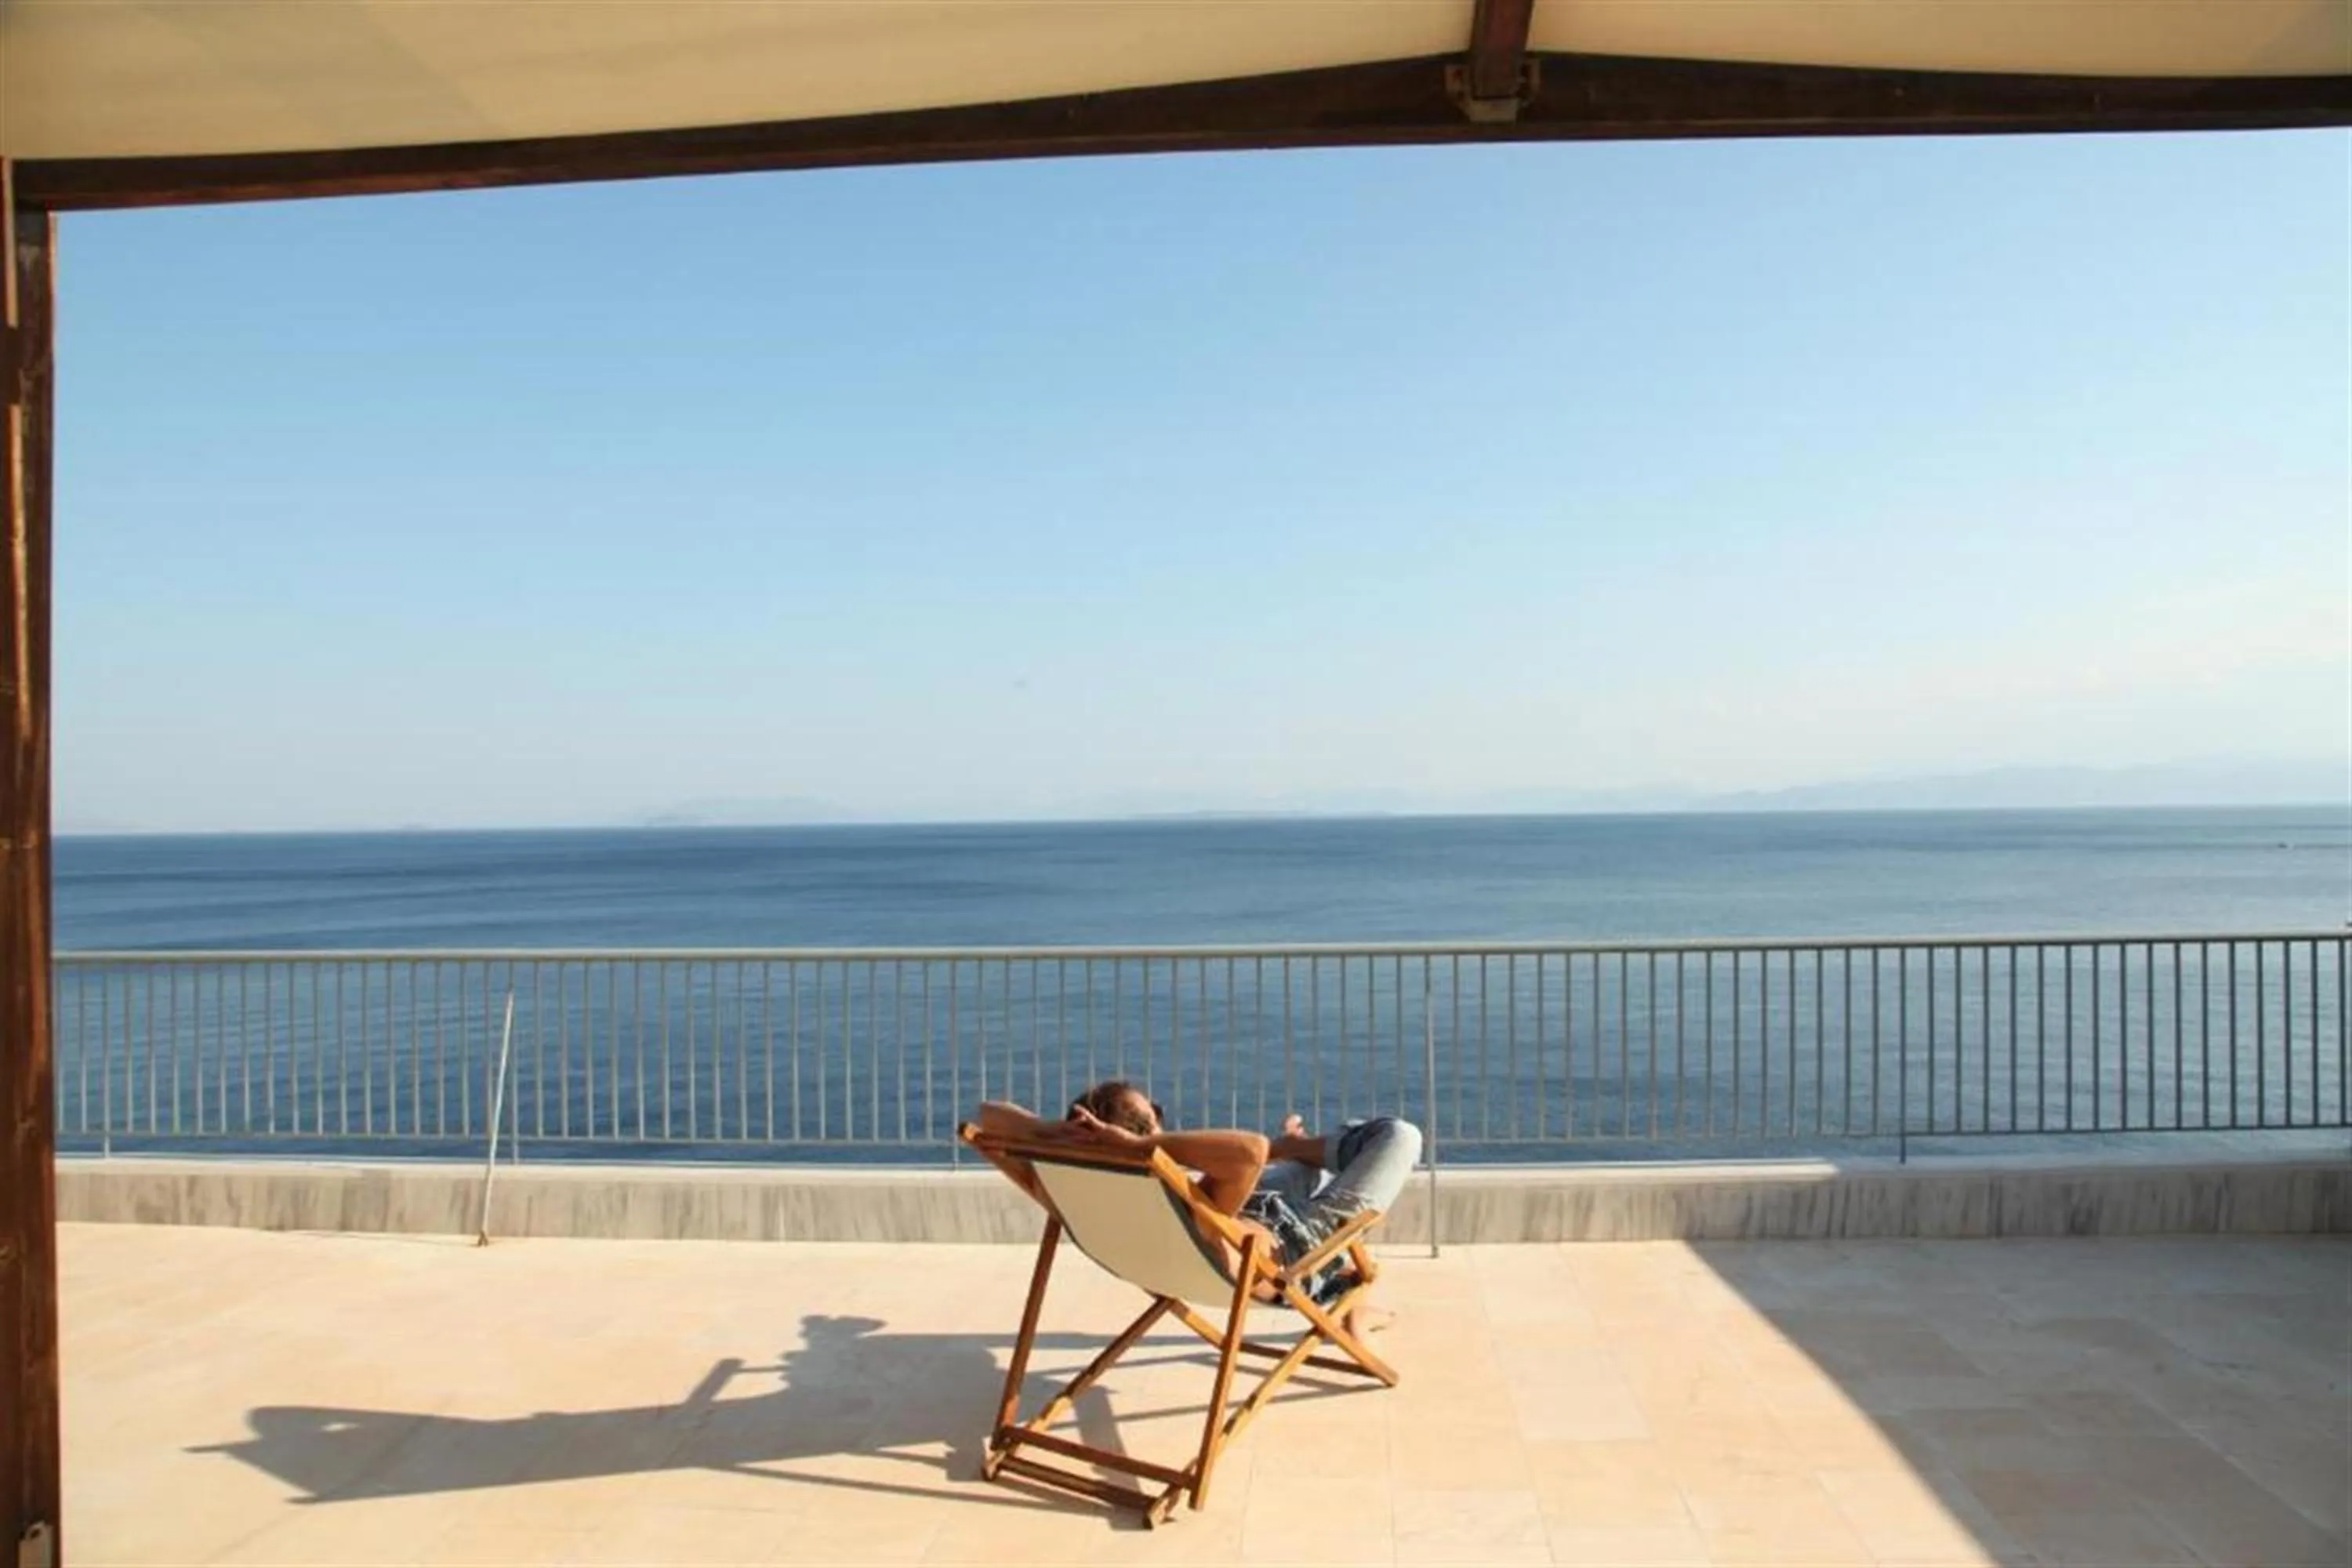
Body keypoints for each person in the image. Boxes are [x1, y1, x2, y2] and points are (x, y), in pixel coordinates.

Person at [973, 1081, 1421, 1335]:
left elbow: (986, 1116)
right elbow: (1251, 1150)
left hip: (1236, 1217)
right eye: (1152, 1119)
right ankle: (1302, 1151)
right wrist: (1146, 1145)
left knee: (1298, 1168)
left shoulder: (1061, 1188)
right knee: (1398, 1137)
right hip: (1292, 1248)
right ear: (1133, 1134)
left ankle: (1299, 1147)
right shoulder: (1170, 1196)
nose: (1161, 1122)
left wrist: (1053, 1132)